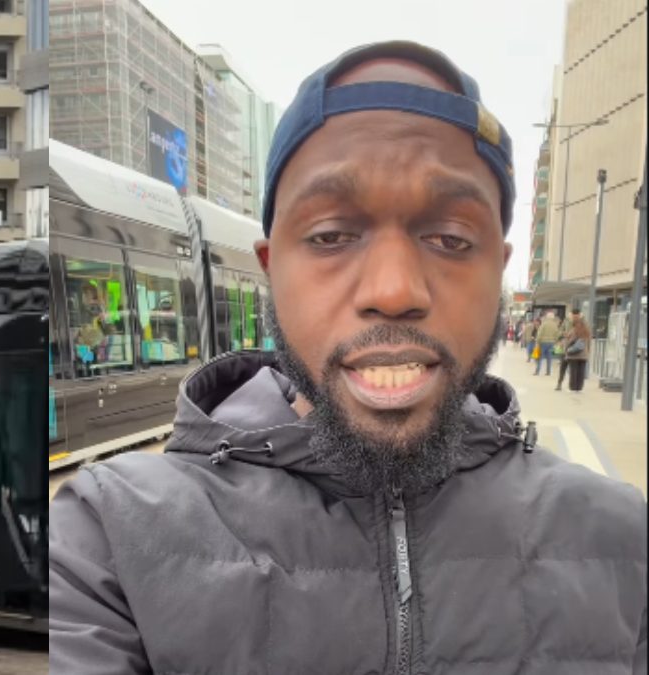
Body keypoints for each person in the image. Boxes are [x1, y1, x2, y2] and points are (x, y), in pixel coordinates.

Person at [48, 41, 647, 675]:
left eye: (450, 238)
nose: (393, 291)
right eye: (332, 236)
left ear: (497, 276)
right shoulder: (103, 541)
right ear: (271, 272)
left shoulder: (623, 538)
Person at [565, 312, 592, 392]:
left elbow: (570, 341)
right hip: (583, 355)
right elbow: (589, 343)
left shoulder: (574, 331)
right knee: (581, 371)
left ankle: (573, 387)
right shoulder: (587, 332)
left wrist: (567, 346)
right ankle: (579, 387)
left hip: (574, 354)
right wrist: (588, 351)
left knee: (574, 371)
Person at [533, 309, 561, 375]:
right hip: (552, 343)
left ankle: (537, 371)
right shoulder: (555, 325)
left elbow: (540, 333)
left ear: (547, 317)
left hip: (543, 342)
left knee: (540, 357)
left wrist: (537, 341)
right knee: (549, 357)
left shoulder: (544, 324)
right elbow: (557, 334)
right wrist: (556, 341)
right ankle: (548, 372)